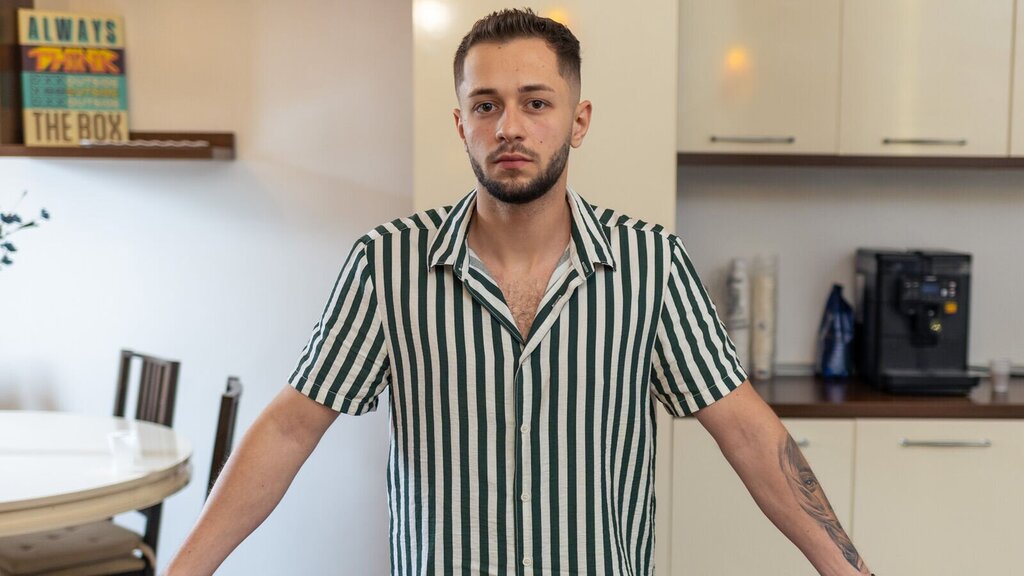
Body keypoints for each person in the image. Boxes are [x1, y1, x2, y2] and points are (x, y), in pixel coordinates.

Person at [166, 9, 873, 576]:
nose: (509, 127)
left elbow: (747, 430)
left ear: (578, 121)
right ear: (461, 124)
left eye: (536, 102)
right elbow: (290, 427)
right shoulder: (386, 265)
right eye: (486, 105)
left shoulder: (651, 264)